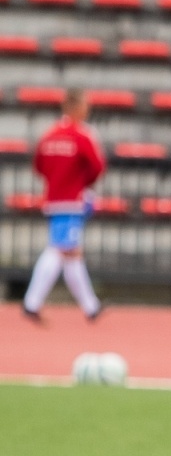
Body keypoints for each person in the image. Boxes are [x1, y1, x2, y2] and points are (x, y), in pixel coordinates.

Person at [25, 88, 105, 322]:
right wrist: (81, 184)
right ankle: (31, 303)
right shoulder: (81, 135)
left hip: (53, 198)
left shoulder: (48, 135)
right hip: (72, 199)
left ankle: (91, 307)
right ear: (76, 107)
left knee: (71, 252)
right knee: (61, 248)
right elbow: (97, 165)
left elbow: (38, 165)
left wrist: (55, 181)